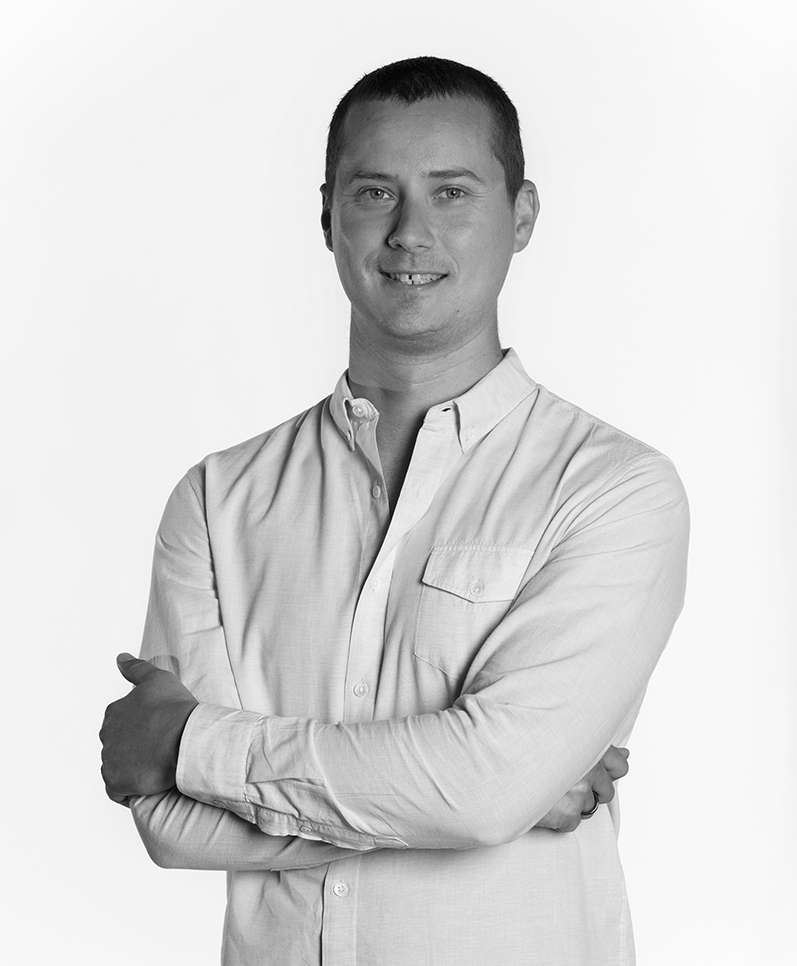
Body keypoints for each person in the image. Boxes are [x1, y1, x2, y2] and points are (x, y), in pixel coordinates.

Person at [100, 56, 689, 965]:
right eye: (375, 192)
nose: (410, 232)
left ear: (521, 215)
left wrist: (192, 746)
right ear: (326, 216)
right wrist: (484, 799)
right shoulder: (217, 499)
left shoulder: (611, 489)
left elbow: (480, 793)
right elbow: (173, 825)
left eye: (451, 192)